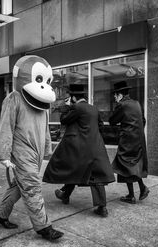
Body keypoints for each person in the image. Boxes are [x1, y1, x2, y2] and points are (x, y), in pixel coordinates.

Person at [0, 55, 64, 241]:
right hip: (22, 151)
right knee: (31, 186)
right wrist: (4, 154)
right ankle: (43, 227)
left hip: (37, 152)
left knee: (19, 185)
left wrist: (47, 149)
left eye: (46, 80)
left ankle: (0, 215)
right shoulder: (14, 98)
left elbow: (45, 128)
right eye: (39, 79)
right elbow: (6, 127)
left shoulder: (43, 103)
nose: (44, 85)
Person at [43, 84, 115, 217]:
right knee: (94, 175)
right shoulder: (93, 108)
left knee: (74, 167)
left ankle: (65, 194)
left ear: (74, 98)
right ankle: (100, 207)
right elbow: (100, 126)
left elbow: (64, 120)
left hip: (81, 147)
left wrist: (65, 109)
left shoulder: (76, 107)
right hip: (96, 146)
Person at [109, 81, 149, 204]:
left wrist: (127, 129)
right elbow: (143, 120)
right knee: (129, 166)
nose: (115, 98)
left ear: (119, 95)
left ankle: (138, 191)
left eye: (115, 96)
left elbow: (112, 121)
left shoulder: (122, 105)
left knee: (125, 166)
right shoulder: (136, 103)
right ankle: (136, 192)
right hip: (138, 140)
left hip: (127, 141)